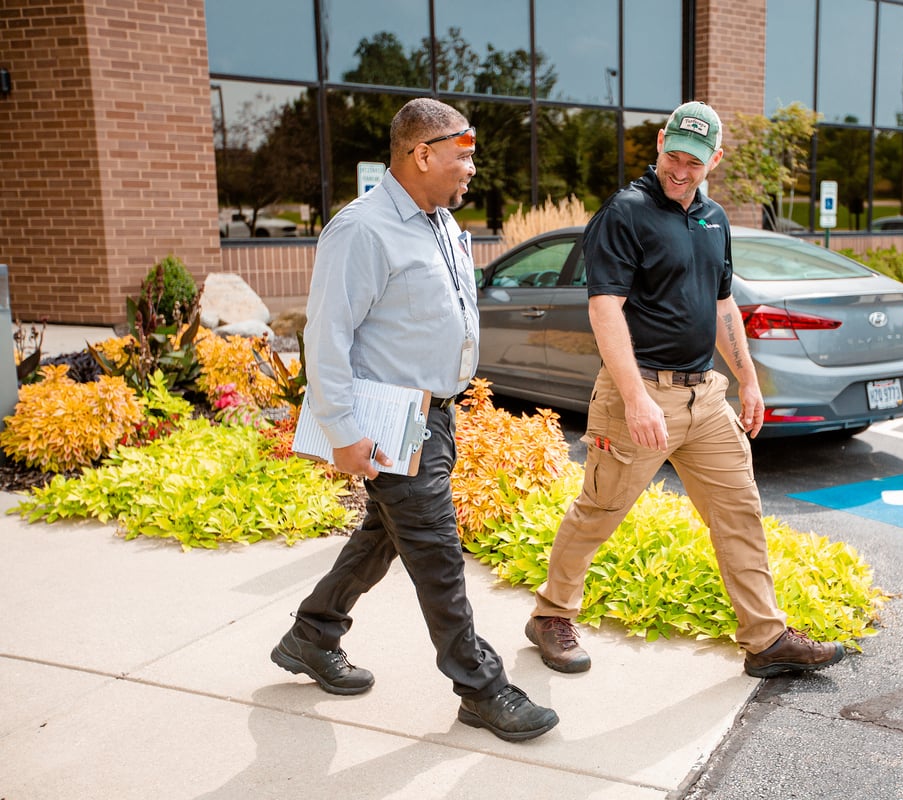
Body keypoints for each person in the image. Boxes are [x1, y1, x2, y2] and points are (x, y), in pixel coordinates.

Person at [523, 101, 846, 679]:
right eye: (673, 154)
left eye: (694, 161)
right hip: (639, 395)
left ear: (713, 160)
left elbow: (723, 303)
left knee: (740, 511)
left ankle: (766, 640)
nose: (681, 169)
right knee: (600, 510)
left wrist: (748, 380)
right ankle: (551, 615)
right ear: (658, 144)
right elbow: (605, 310)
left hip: (706, 397)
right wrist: (637, 397)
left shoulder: (714, 219)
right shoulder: (624, 213)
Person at [270, 98, 558, 743]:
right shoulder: (362, 229)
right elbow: (328, 336)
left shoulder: (444, 223)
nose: (471, 169)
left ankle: (312, 634)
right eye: (462, 155)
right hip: (386, 419)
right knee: (436, 554)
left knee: (383, 534)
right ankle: (481, 686)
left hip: (433, 415)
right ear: (422, 154)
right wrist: (343, 432)